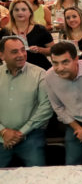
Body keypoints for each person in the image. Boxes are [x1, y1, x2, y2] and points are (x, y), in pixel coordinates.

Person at [0, 36, 52, 167]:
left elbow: (46, 107)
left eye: (23, 50)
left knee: (38, 179)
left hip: (31, 135)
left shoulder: (40, 74)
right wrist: (4, 131)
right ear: (2, 55)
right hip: (1, 136)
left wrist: (21, 132)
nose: (21, 55)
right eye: (14, 52)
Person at [0, 0, 54, 70]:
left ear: (30, 12)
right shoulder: (5, 31)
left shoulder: (40, 29)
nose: (20, 12)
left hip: (40, 68)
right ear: (12, 13)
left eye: (23, 9)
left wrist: (40, 50)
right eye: (16, 10)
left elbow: (54, 50)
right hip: (15, 70)